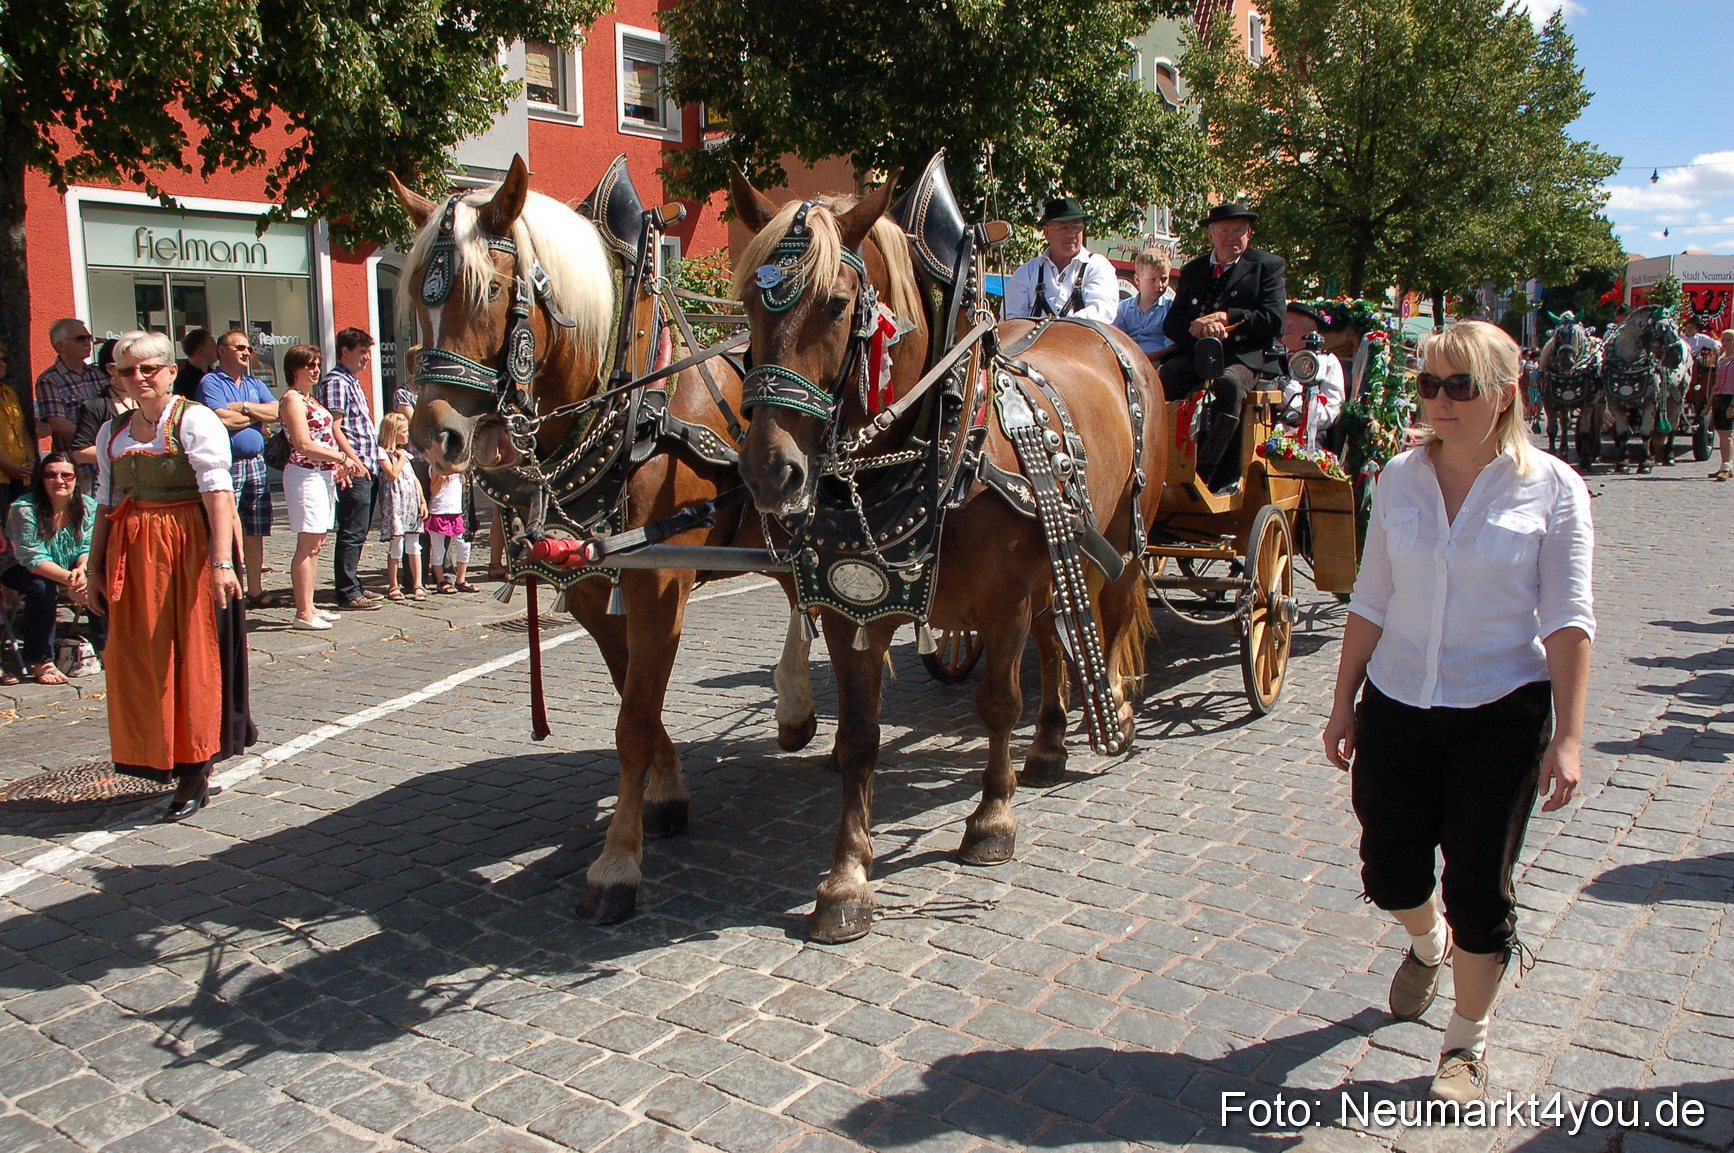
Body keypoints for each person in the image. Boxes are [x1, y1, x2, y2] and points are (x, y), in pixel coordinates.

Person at [1323, 320, 1594, 1105]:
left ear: (1505, 393)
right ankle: (1425, 939)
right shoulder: (1402, 476)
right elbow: (1372, 598)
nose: (1438, 401)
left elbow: (1570, 623)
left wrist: (1568, 738)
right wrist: (1344, 699)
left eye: (1458, 386)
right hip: (1400, 701)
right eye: (1428, 384)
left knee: (1480, 883)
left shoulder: (1553, 488)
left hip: (1500, 711)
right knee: (1391, 868)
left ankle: (1466, 1042)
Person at [88, 331, 255, 818]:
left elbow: (218, 495)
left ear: (169, 371)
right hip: (136, 554)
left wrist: (223, 564)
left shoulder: (194, 420)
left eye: (147, 369)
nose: (137, 378)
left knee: (195, 655)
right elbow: (107, 501)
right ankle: (159, 752)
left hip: (191, 549)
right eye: (125, 370)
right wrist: (96, 567)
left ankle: (195, 767)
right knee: (144, 657)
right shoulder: (113, 433)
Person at [1160, 201, 1287, 491]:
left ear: (1249, 234)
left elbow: (1274, 320)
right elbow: (1172, 324)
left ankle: (1208, 472)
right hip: (1199, 352)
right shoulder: (1194, 270)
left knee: (1228, 385)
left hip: (1244, 356)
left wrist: (1228, 318)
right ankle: (1160, 460)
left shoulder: (1267, 266)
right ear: (1211, 236)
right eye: (1225, 231)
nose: (1232, 237)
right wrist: (1197, 327)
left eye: (1239, 231)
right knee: (1164, 377)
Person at [279, 344, 367, 630]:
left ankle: (310, 604)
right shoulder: (293, 400)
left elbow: (327, 435)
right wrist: (342, 457)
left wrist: (337, 465)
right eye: (309, 365)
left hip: (322, 475)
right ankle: (302, 611)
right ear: (294, 370)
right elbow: (303, 444)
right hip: (305, 474)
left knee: (317, 543)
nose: (315, 370)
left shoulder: (311, 399)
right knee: (307, 543)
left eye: (317, 364)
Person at [1, 454, 101, 685]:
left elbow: (88, 545)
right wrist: (72, 580)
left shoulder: (88, 505)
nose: (59, 480)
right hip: (19, 567)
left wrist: (84, 570)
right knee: (41, 588)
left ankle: (106, 648)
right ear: (42, 479)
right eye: (51, 474)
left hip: (70, 567)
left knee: (102, 576)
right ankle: (41, 661)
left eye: (66, 475)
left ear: (76, 479)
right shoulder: (24, 509)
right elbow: (32, 558)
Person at [198, 330, 280, 609]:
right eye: (240, 348)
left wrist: (244, 408)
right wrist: (256, 416)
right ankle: (230, 585)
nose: (247, 353)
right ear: (222, 351)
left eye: (249, 348)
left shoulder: (253, 383)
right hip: (226, 464)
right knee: (226, 525)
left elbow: (277, 411)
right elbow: (221, 418)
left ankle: (255, 588)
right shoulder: (211, 382)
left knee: (255, 527)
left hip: (256, 463)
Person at [316, 328, 385, 611]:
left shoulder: (352, 381)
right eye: (361, 353)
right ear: (345, 351)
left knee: (361, 529)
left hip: (367, 465)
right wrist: (352, 459)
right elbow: (334, 427)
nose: (366, 359)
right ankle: (346, 590)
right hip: (355, 468)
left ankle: (353, 582)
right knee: (352, 529)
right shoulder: (336, 382)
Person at [1001, 198, 1118, 324]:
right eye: (1064, 227)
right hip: (1036, 343)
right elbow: (1011, 320)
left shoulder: (1098, 266)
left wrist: (1062, 330)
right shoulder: (1027, 272)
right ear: (1047, 232)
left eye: (1076, 226)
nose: (1071, 233)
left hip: (1082, 341)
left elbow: (1102, 312)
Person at [34, 319, 109, 454]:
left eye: (88, 337)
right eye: (80, 338)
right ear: (60, 346)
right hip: (75, 464)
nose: (87, 342)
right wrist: (98, 442)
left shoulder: (101, 374)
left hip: (107, 460)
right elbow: (58, 424)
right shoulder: (49, 380)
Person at [376, 413, 427, 601]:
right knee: (396, 545)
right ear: (394, 433)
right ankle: (393, 584)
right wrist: (401, 457)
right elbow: (392, 474)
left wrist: (422, 500)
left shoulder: (404, 454)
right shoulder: (384, 453)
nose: (408, 435)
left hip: (410, 504)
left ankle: (418, 583)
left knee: (414, 545)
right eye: (404, 431)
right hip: (396, 505)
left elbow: (414, 480)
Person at [1280, 303, 1345, 446]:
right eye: (1284, 326)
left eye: (1291, 326)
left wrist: (1289, 390)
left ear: (1311, 330)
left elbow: (1328, 415)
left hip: (1311, 435)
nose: (1285, 332)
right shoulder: (1273, 358)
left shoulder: (1327, 361)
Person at [70, 339, 131, 489]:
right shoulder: (96, 405)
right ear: (111, 369)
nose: (139, 375)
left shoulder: (152, 400)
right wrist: (127, 453)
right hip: (113, 485)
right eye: (128, 368)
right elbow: (80, 452)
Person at [1113, 248, 1175, 363]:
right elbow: (1118, 340)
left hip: (1159, 362)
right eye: (1152, 280)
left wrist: (1146, 358)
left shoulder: (1170, 309)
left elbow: (1171, 347)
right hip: (1128, 360)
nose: (1159, 285)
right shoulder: (1123, 308)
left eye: (1164, 279)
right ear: (1137, 279)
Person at [0, 342, 37, 526]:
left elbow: (21, 429)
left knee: (20, 527)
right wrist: (9, 466)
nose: (1, 364)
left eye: (3, 359)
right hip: (2, 474)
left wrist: (31, 460)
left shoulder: (9, 393)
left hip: (21, 474)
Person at [425, 468, 475, 593]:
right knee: (438, 550)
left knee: (464, 546)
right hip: (439, 512)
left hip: (456, 512)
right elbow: (434, 490)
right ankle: (440, 580)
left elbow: (466, 482)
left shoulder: (459, 470)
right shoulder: (437, 468)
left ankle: (461, 579)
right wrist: (441, 477)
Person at [1708, 329, 1734, 481]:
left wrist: (1732, 406)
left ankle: (1726, 466)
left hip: (1730, 398)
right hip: (1719, 396)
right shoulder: (1721, 359)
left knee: (1727, 434)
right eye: (1723, 340)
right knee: (1722, 433)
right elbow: (1716, 384)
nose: (1725, 343)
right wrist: (1708, 404)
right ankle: (1726, 464)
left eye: (1729, 340)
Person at [174, 329, 218, 399]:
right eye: (213, 346)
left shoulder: (215, 375)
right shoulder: (184, 381)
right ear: (201, 350)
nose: (217, 349)